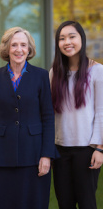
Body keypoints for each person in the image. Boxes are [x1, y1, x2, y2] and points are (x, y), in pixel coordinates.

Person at [0, 27, 58, 209]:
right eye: (14, 45)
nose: (19, 49)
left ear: (29, 49)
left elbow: (48, 117)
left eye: (23, 45)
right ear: (7, 48)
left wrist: (47, 155)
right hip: (3, 155)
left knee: (34, 203)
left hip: (34, 154)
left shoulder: (41, 75)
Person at [50, 20, 103, 209]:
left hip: (86, 149)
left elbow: (101, 112)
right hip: (60, 150)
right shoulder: (54, 74)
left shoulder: (97, 71)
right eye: (62, 38)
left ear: (82, 39)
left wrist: (99, 148)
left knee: (87, 202)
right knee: (64, 203)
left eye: (72, 36)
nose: (67, 42)